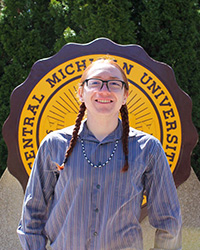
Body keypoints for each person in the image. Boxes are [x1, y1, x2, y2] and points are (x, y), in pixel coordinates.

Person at [17, 58, 182, 250]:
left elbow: (169, 221)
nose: (104, 90)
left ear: (125, 95)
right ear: (80, 93)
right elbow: (32, 214)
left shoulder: (148, 149)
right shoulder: (54, 145)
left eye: (114, 83)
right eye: (95, 82)